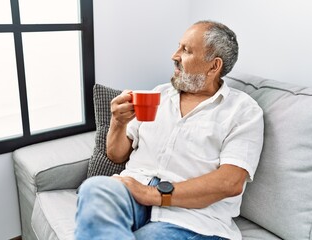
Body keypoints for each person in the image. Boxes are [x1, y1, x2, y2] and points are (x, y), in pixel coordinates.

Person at [75, 20, 264, 240]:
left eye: (186, 50)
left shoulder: (243, 111)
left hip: (193, 217)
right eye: (179, 46)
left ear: (214, 66)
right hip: (132, 194)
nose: (175, 56)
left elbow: (229, 183)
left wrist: (152, 194)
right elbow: (116, 154)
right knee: (94, 189)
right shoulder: (159, 95)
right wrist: (118, 122)